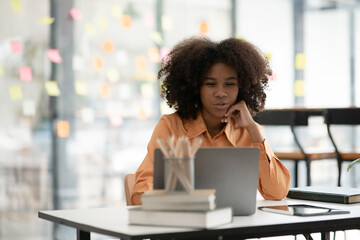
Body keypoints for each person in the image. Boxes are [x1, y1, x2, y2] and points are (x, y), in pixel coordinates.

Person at [130, 36, 290, 205]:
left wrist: (254, 129)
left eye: (229, 84)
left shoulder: (248, 131)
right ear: (195, 87)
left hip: (234, 228)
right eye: (211, 84)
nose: (221, 93)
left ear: (242, 87)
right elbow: (140, 193)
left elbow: (277, 192)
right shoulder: (171, 127)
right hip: (183, 227)